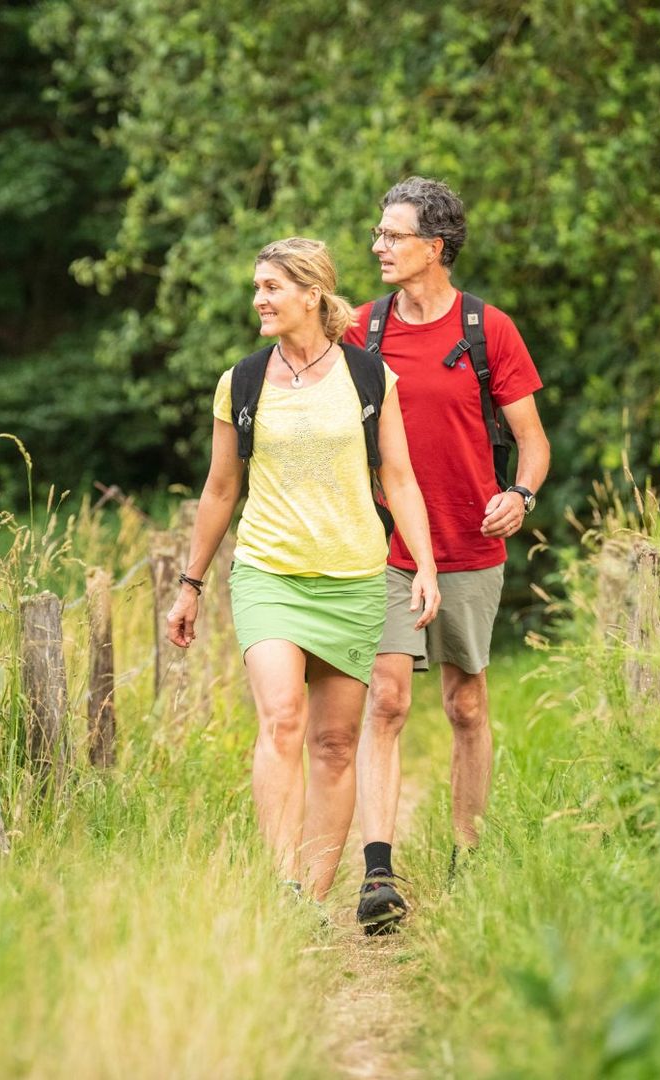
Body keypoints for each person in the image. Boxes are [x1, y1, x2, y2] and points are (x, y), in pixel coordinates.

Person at [166, 237, 440, 908]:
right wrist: (190, 584)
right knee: (283, 718)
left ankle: (311, 902)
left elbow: (399, 478)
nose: (258, 299)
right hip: (270, 573)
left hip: (354, 577)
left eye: (272, 287)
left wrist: (425, 566)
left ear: (312, 293)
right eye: (257, 287)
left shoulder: (370, 377)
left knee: (336, 744)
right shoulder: (242, 382)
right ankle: (283, 887)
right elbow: (220, 489)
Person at [344, 177, 551, 933]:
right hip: (385, 546)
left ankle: (468, 860)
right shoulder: (360, 330)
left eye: (392, 235)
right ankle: (377, 874)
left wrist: (520, 496)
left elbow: (532, 442)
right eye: (378, 233)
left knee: (466, 705)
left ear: (434, 246)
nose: (379, 246)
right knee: (387, 699)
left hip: (469, 541)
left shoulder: (487, 330)